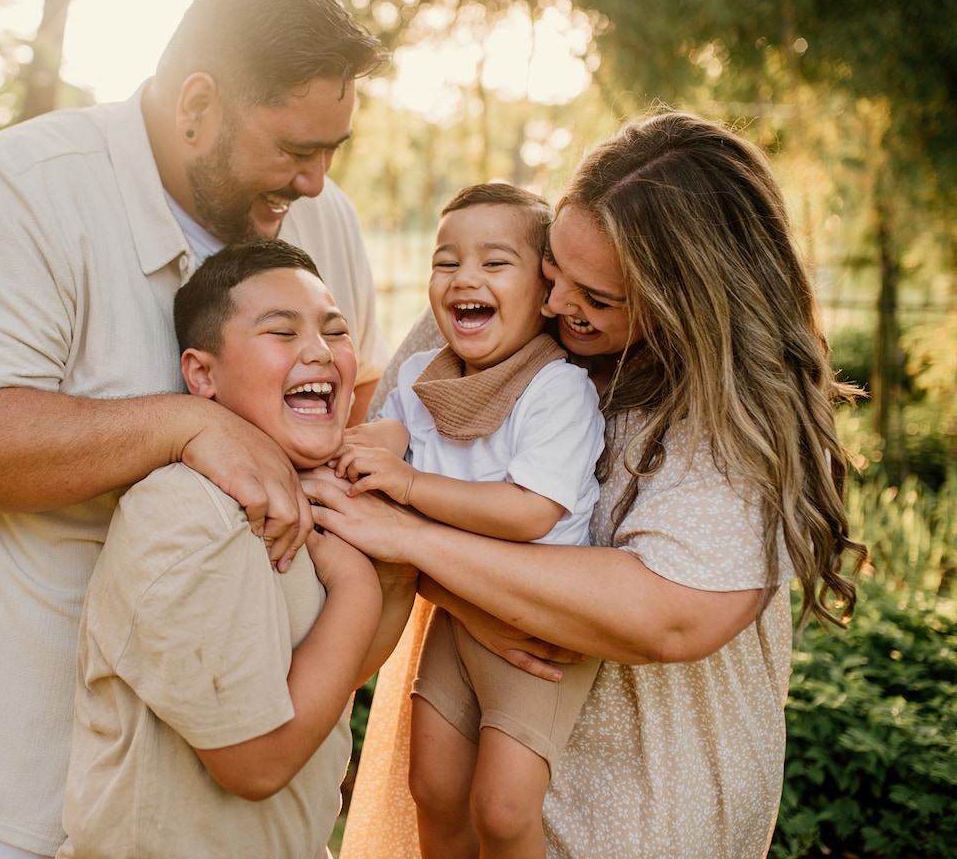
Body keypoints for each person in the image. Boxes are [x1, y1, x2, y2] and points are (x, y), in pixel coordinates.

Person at [0, 0, 388, 858]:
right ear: (197, 105)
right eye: (294, 150)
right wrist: (186, 424)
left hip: (248, 799)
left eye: (332, 150)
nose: (315, 181)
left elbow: (352, 409)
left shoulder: (326, 220)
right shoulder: (17, 193)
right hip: (27, 777)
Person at [305, 112, 868, 859]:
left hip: (642, 799)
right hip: (463, 747)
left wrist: (425, 546)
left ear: (687, 301)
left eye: (596, 297)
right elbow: (368, 492)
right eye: (552, 270)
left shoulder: (735, 415)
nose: (553, 304)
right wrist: (466, 593)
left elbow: (670, 613)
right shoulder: (489, 308)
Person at [57, 240, 414, 859]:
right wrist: (357, 586)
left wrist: (393, 565)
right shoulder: (188, 514)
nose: (319, 351)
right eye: (282, 331)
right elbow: (256, 763)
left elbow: (334, 675)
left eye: (335, 331)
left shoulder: (306, 496)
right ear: (202, 375)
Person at [331, 183, 603, 859]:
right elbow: (395, 429)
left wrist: (409, 483)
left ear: (545, 292)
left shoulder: (556, 388)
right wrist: (374, 442)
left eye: (494, 262)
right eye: (446, 262)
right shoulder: (425, 375)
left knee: (503, 809)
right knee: (432, 787)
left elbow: (530, 510)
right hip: (457, 613)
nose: (464, 278)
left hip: (534, 624)